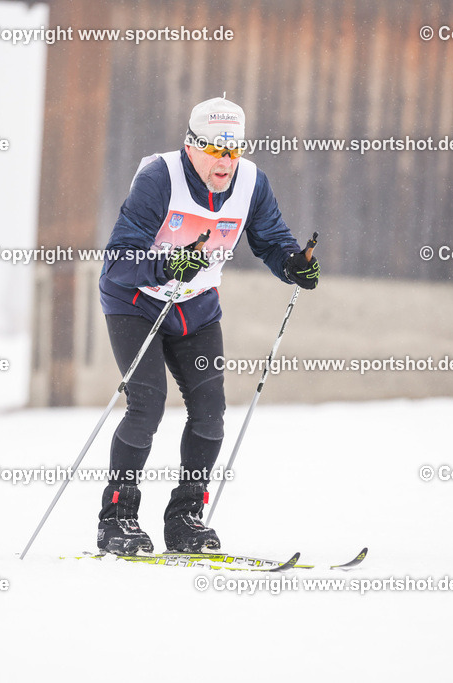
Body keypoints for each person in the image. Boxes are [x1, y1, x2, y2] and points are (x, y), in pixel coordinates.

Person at [96, 96, 320, 555]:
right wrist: (167, 265)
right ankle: (117, 518)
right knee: (147, 406)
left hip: (195, 308)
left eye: (233, 149)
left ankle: (185, 520)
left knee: (211, 413)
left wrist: (293, 265)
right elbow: (119, 259)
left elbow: (272, 241)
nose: (226, 161)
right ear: (190, 146)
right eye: (215, 149)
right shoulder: (160, 177)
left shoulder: (253, 183)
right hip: (136, 303)